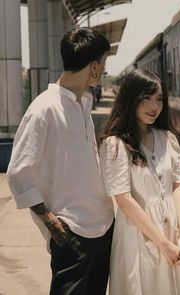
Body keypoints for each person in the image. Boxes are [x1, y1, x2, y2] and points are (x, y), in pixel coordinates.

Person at [6, 27, 114, 295]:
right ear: (94, 67)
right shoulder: (44, 108)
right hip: (73, 234)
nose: (103, 68)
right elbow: (18, 172)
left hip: (102, 227)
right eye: (103, 62)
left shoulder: (82, 104)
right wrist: (50, 222)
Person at [99, 69, 180, 295]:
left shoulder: (169, 139)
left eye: (159, 99)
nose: (153, 106)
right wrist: (163, 244)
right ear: (130, 98)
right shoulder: (115, 145)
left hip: (173, 232)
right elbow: (123, 199)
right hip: (139, 236)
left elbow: (177, 186)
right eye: (146, 98)